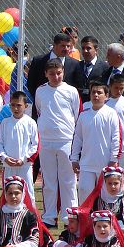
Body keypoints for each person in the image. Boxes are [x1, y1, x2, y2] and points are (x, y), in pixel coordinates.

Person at [35, 58, 81, 227]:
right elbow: (40, 111)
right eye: (52, 74)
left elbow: (76, 114)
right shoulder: (40, 91)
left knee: (68, 180)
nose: (56, 77)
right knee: (49, 180)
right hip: (46, 141)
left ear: (63, 72)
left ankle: (70, 217)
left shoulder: (71, 91)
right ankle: (49, 217)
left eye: (59, 73)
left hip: (66, 140)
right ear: (46, 74)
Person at [71, 82, 121, 200]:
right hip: (86, 164)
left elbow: (116, 138)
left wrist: (113, 159)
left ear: (106, 96)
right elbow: (78, 138)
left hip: (105, 164)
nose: (96, 95)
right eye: (93, 92)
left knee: (106, 196)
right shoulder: (84, 115)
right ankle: (85, 218)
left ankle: (105, 218)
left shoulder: (111, 114)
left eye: (99, 92)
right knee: (84, 194)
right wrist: (74, 158)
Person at [0, 90, 39, 201]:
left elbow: (35, 145)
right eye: (13, 105)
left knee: (28, 193)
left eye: (19, 105)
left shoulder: (31, 123)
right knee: (8, 192)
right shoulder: (5, 123)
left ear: (26, 106)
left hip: (25, 166)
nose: (15, 108)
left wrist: (24, 159)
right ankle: (9, 216)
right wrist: (5, 158)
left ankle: (31, 216)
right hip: (8, 166)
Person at [26, 32, 84, 102]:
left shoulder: (75, 64)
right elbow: (31, 83)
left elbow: (78, 86)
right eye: (62, 46)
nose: (66, 49)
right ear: (54, 45)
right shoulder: (38, 61)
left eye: (68, 46)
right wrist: (41, 98)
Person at [105, 75, 124, 153]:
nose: (118, 91)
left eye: (121, 88)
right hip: (108, 142)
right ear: (110, 86)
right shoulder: (104, 104)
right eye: (116, 88)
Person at [79, 36, 110, 101]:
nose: (85, 51)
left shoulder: (105, 67)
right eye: (83, 48)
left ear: (96, 50)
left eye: (88, 48)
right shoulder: (77, 65)